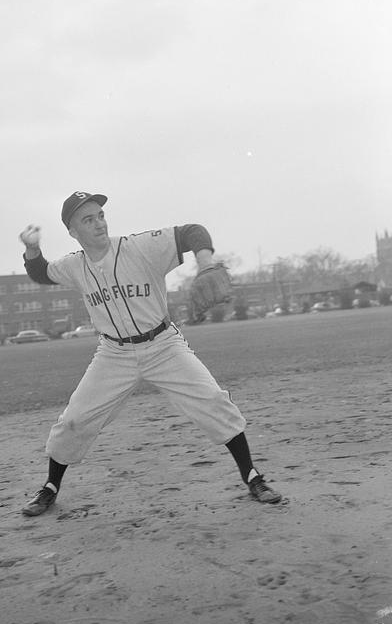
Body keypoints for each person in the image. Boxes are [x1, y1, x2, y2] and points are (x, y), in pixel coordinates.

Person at [19, 191, 283, 516]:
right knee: (74, 419)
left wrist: (205, 263)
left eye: (100, 215)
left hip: (162, 345)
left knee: (213, 400)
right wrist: (32, 249)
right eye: (88, 220)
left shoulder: (139, 247)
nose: (99, 223)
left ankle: (252, 476)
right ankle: (50, 487)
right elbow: (41, 272)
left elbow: (193, 231)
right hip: (113, 354)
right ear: (73, 231)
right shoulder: (75, 265)